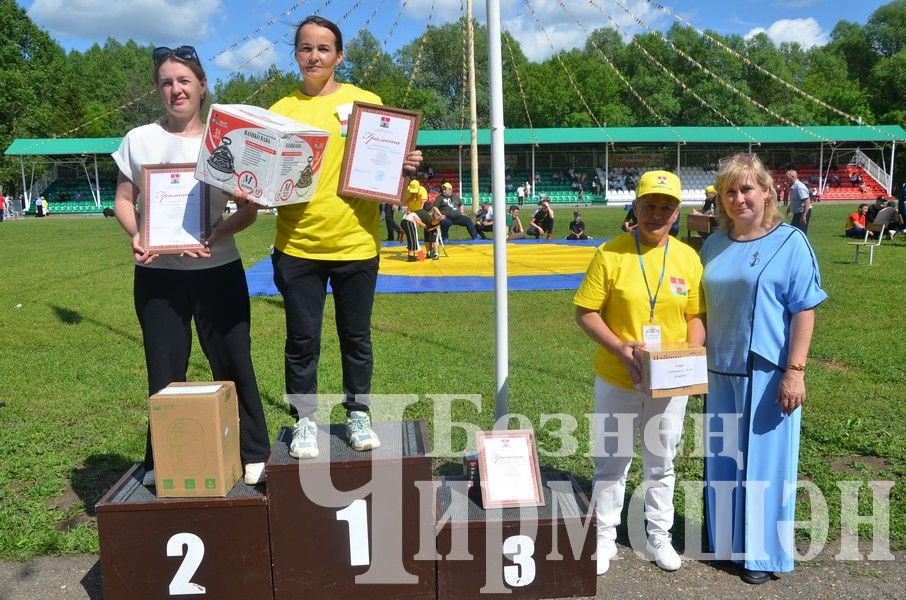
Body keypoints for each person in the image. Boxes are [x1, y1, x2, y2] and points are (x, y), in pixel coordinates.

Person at [112, 44, 270, 486]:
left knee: (234, 361)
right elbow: (125, 201)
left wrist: (217, 232)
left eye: (184, 80)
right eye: (166, 82)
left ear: (202, 85)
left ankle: (253, 451)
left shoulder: (227, 143)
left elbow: (248, 211)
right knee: (164, 369)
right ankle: (163, 458)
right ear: (158, 90)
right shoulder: (138, 139)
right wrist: (138, 235)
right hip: (158, 277)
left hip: (219, 271)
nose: (175, 89)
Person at [268, 16, 422, 459]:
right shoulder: (280, 111)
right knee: (302, 341)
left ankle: (358, 413)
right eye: (305, 48)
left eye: (323, 48)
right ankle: (305, 422)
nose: (314, 56)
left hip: (356, 245)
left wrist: (405, 168)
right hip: (297, 246)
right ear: (295, 54)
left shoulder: (367, 104)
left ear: (339, 55)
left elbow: (392, 174)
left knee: (356, 337)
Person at [701, 154, 826, 585]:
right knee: (722, 461)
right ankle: (726, 541)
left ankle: (763, 554)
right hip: (719, 370)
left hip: (768, 374)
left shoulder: (791, 241)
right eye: (730, 191)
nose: (738, 199)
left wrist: (796, 369)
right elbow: (701, 307)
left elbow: (805, 308)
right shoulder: (713, 244)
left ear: (768, 191)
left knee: (765, 468)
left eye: (747, 189)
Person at [574, 170, 704, 577]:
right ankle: (605, 537)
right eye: (649, 205)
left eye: (666, 207)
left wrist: (688, 353)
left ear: (677, 212)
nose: (656, 214)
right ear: (635, 206)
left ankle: (658, 537)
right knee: (611, 461)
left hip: (669, 381)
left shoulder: (687, 257)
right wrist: (620, 347)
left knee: (661, 462)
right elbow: (585, 311)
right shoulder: (610, 253)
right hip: (618, 376)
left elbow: (695, 315)